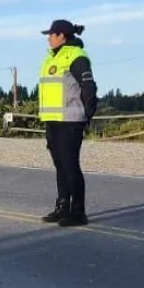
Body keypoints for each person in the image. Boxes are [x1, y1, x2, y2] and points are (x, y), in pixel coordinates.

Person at [37, 19, 98, 227]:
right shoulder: (51, 58)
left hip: (70, 120)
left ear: (61, 35)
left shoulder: (76, 57)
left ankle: (78, 212)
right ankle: (62, 206)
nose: (48, 38)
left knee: (70, 166)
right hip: (53, 119)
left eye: (51, 34)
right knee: (60, 166)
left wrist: (87, 115)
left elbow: (89, 87)